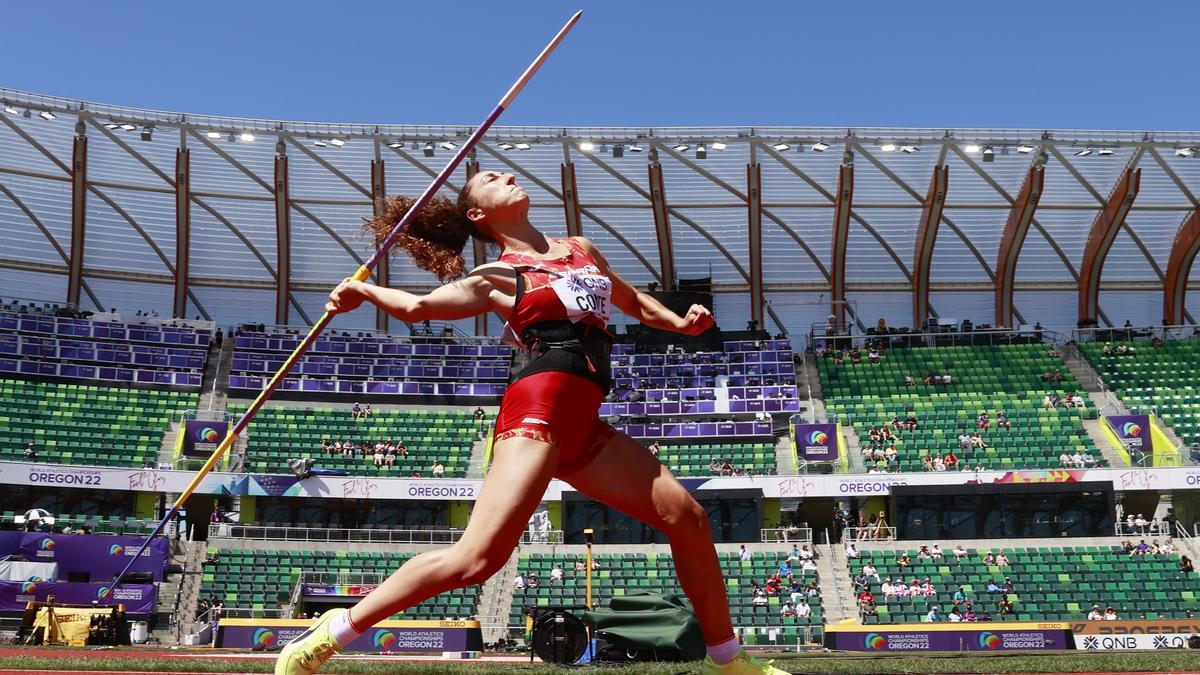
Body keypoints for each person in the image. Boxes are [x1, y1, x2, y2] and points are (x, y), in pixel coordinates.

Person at [274, 171, 778, 675]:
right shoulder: (498, 277)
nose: (509, 175)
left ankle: (726, 661)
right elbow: (419, 308)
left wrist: (680, 324)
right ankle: (336, 628)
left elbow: (637, 304)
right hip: (536, 413)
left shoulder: (582, 249)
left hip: (584, 425)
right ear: (478, 214)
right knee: (476, 562)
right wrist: (364, 292)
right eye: (492, 179)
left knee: (686, 518)